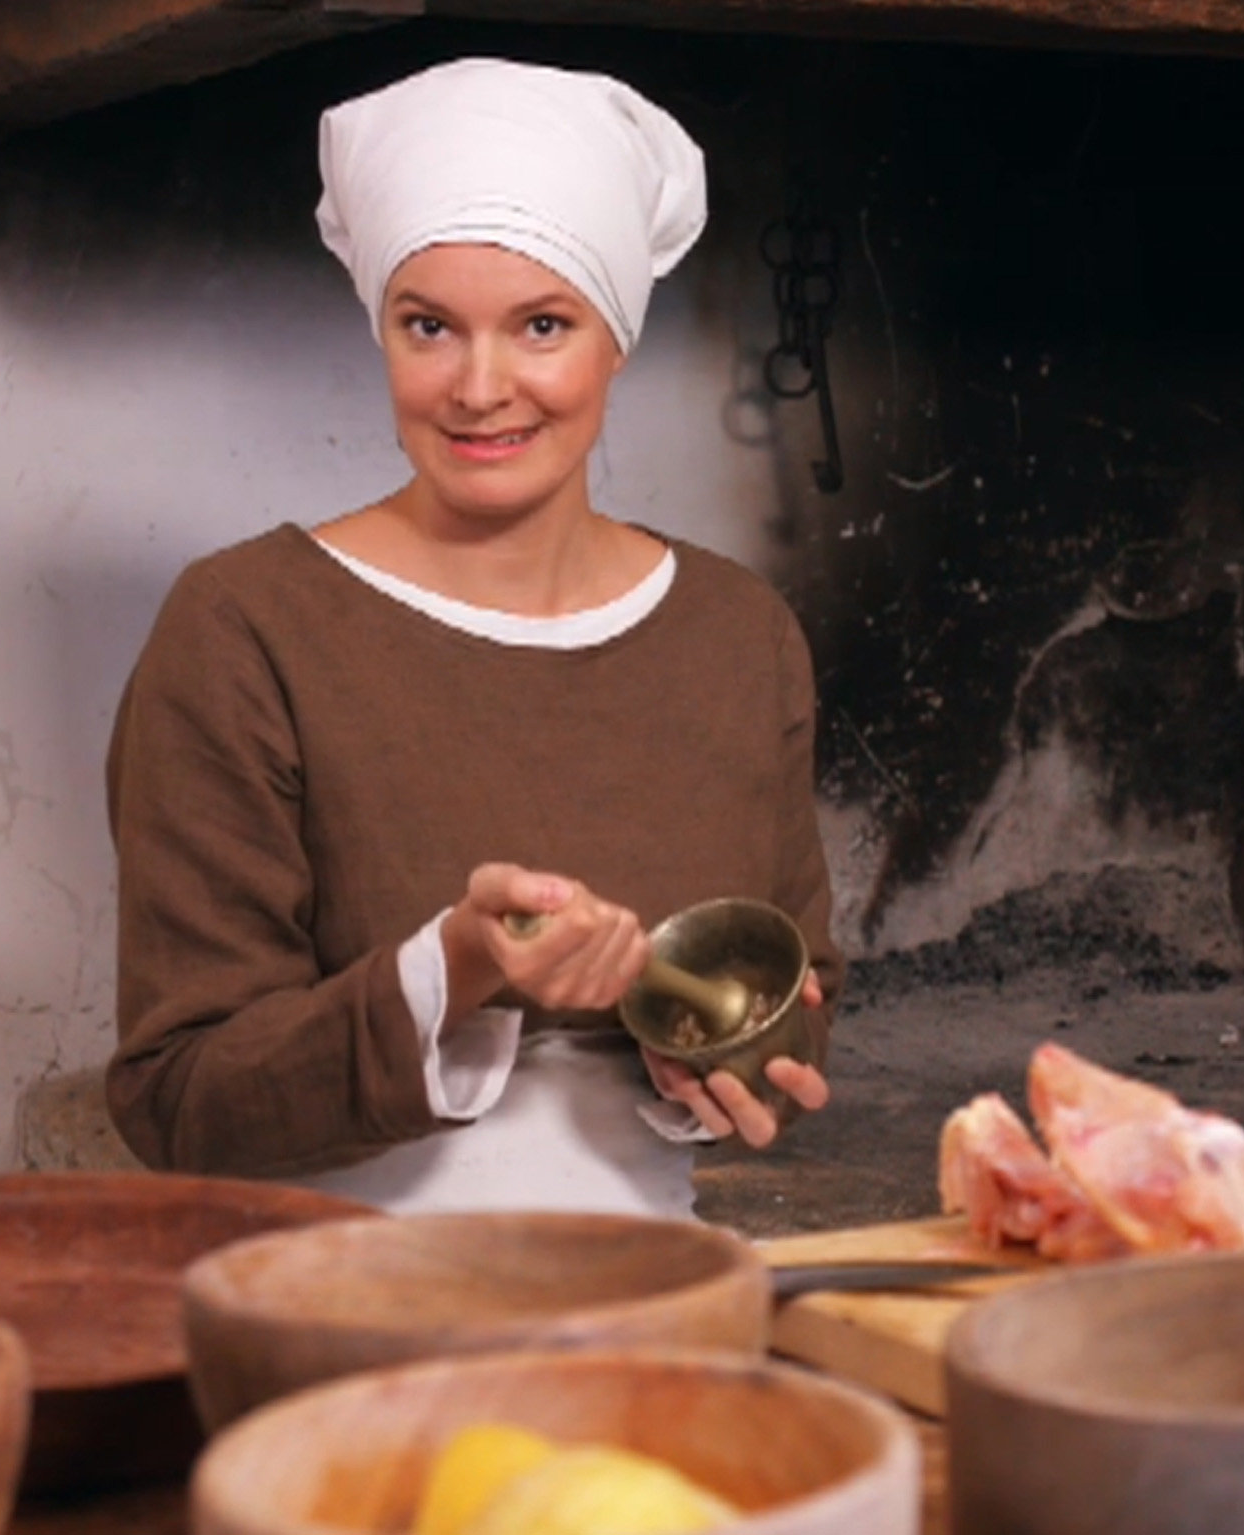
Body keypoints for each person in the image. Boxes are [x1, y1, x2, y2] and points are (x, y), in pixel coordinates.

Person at [103, 56, 840, 1216]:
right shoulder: (244, 627)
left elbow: (794, 999)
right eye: (429, 325)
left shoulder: (736, 633)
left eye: (542, 324)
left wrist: (715, 1063)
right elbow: (182, 1095)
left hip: (650, 1281)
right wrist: (455, 967)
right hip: (333, 1283)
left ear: (617, 339)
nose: (479, 386)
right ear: (380, 332)